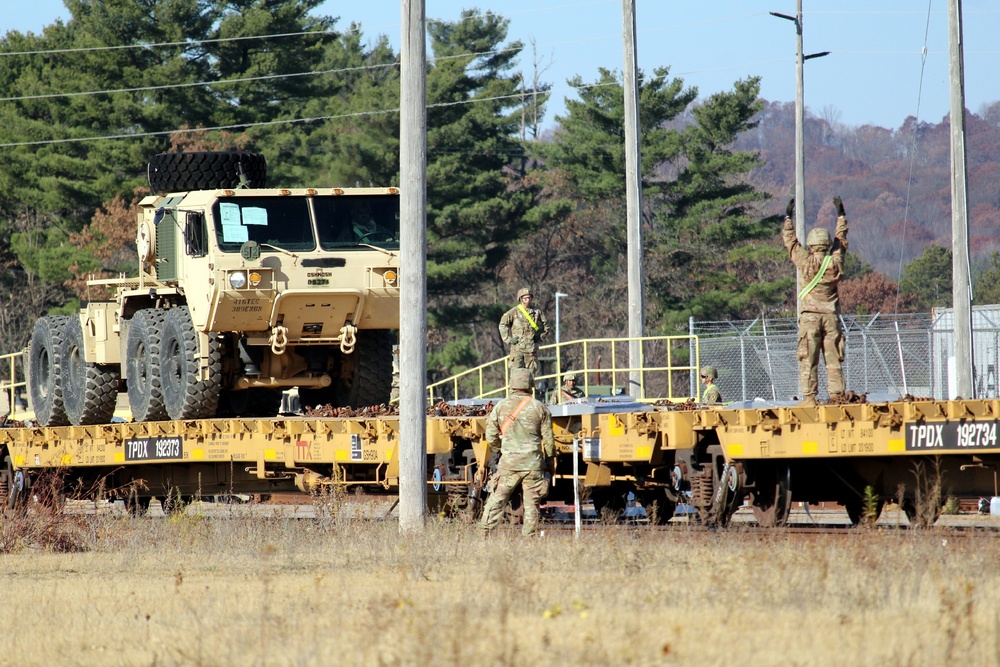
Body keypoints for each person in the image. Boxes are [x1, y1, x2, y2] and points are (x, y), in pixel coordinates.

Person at [783, 196, 849, 407]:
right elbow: (842, 241)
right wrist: (841, 215)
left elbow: (791, 243)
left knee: (808, 360)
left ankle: (810, 398)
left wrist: (788, 219)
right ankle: (837, 396)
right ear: (827, 244)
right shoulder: (835, 261)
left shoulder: (805, 261)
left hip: (810, 318)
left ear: (811, 245)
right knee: (833, 360)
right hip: (831, 318)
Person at [479, 368, 556, 537]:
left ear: (512, 384)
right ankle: (529, 540)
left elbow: (491, 436)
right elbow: (549, 442)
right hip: (533, 465)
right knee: (532, 505)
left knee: (497, 500)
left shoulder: (500, 406)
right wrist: (550, 466)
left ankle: (484, 535)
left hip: (509, 464)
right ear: (531, 385)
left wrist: (502, 448)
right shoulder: (539, 407)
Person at [498, 287, 550, 373]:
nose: (528, 300)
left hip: (531, 351)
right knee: (516, 377)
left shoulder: (537, 312)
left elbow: (546, 325)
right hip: (517, 350)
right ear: (521, 299)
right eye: (525, 298)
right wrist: (508, 339)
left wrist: (541, 337)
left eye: (529, 297)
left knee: (530, 377)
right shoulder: (513, 312)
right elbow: (502, 324)